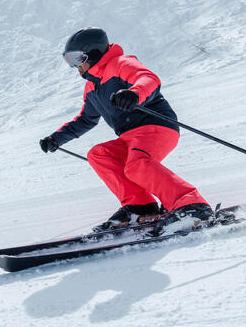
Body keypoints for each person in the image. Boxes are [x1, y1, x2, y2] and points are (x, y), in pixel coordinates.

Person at [39, 27, 212, 231]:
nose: (75, 66)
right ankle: (140, 207)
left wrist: (134, 94)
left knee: (137, 164)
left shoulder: (121, 63)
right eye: (69, 61)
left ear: (93, 53)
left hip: (156, 126)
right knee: (99, 154)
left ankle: (192, 206)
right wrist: (56, 138)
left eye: (77, 59)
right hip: (129, 136)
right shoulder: (92, 87)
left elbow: (149, 79)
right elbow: (86, 120)